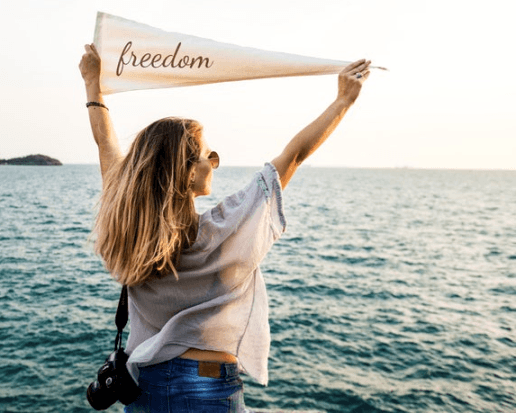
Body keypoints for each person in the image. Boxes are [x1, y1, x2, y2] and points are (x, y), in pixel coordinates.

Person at [79, 43, 370, 413]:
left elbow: (106, 143)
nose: (214, 162)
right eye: (208, 155)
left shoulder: (128, 230)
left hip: (145, 386)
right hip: (209, 386)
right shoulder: (225, 228)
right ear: (185, 172)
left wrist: (92, 83)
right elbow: (293, 155)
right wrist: (344, 100)